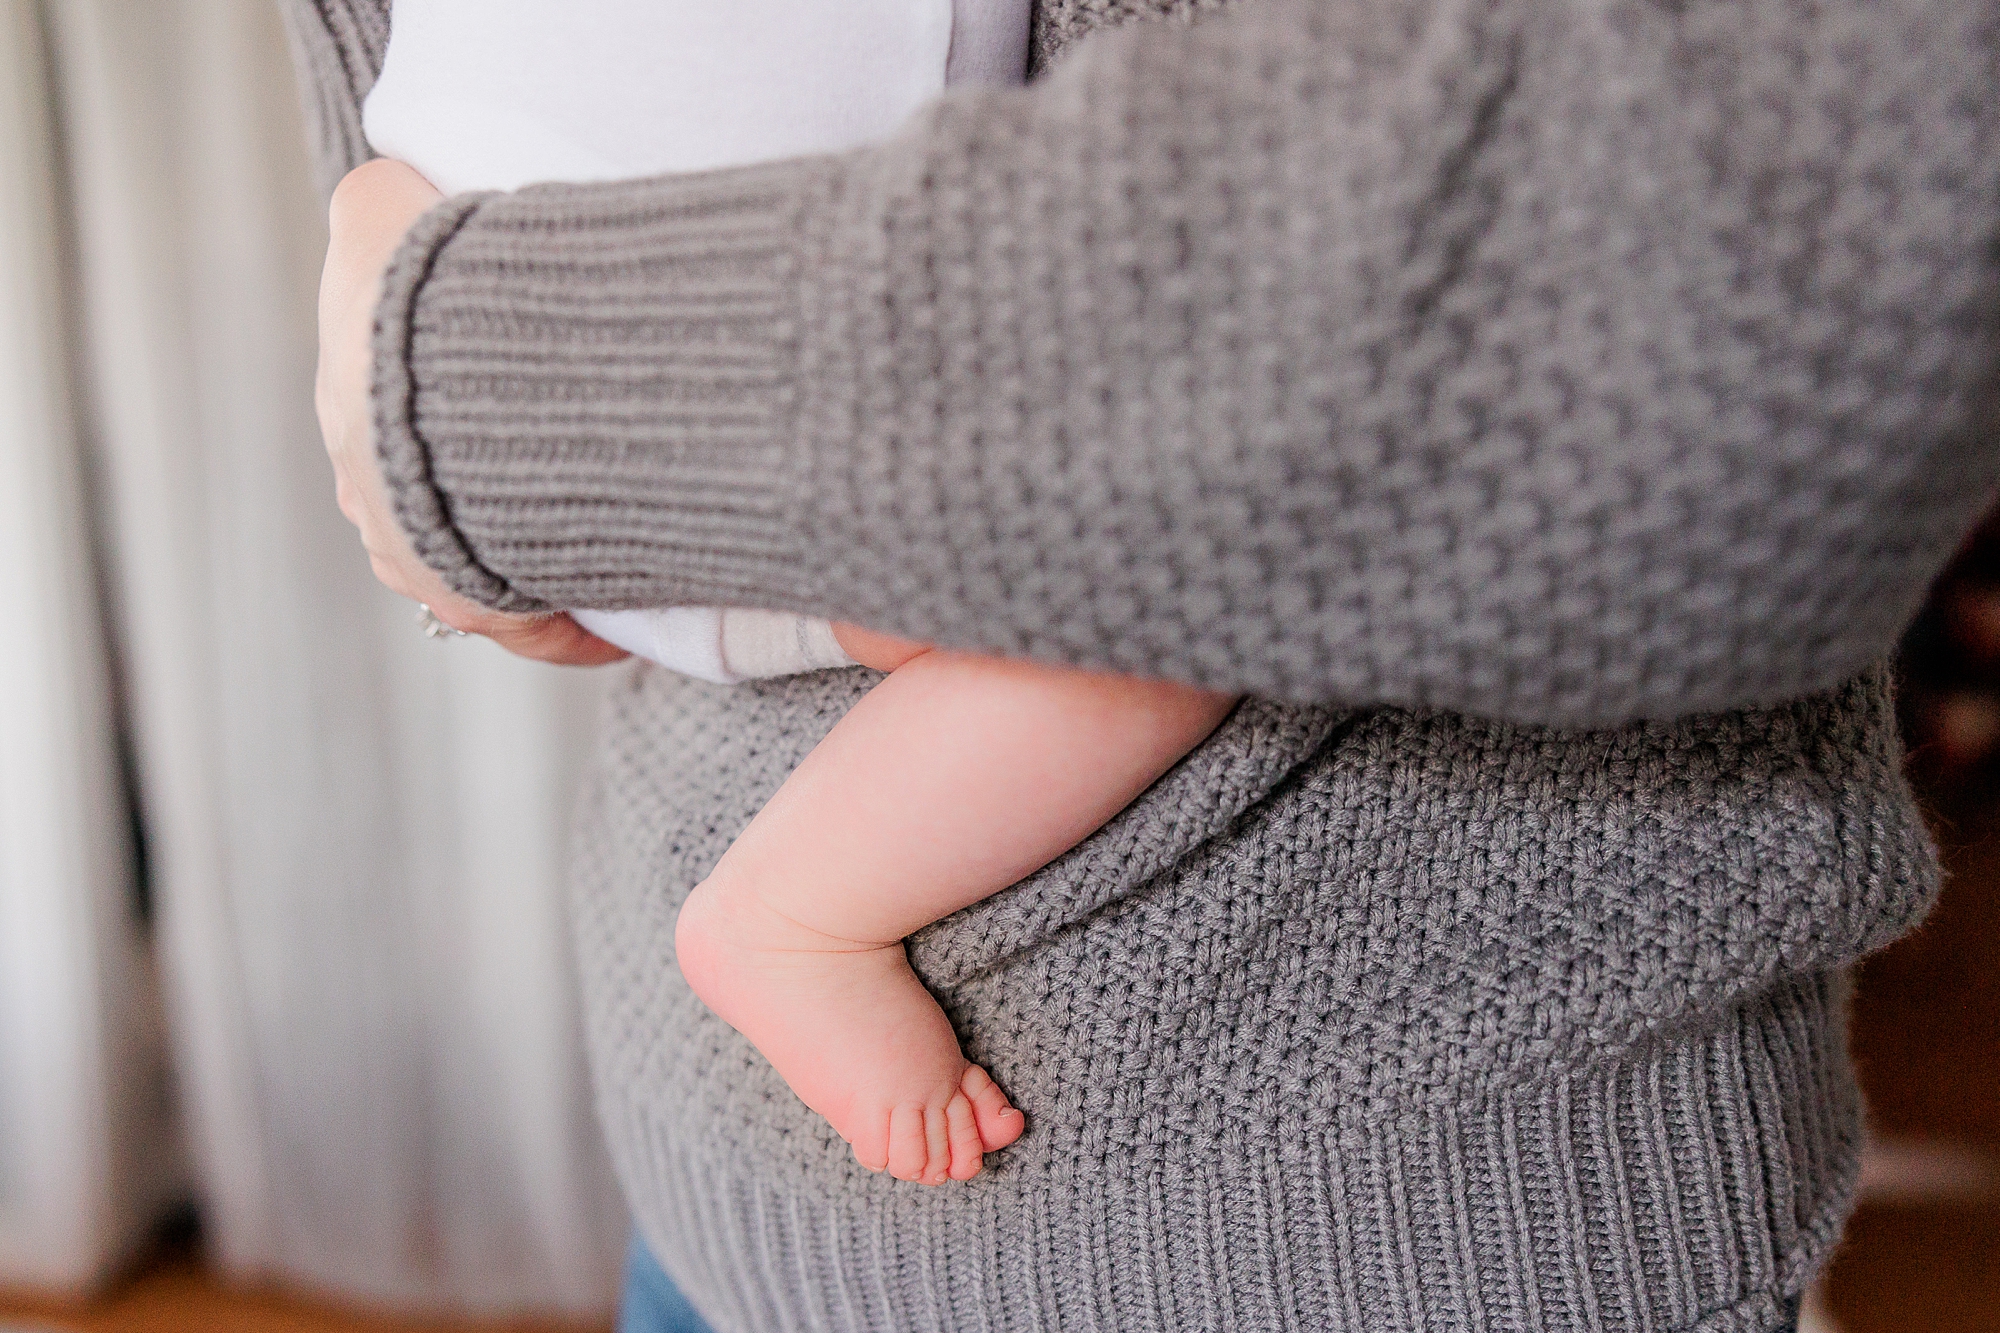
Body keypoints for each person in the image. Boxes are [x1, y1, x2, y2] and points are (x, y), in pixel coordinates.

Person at [290, 0, 2000, 1328]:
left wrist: (462, 373)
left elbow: (1754, 245)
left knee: (1122, 611)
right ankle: (791, 908)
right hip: (735, 1197)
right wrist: (457, 384)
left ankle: (791, 904)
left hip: (1399, 1236)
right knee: (1110, 631)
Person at [359, 0, 1237, 1188]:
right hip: (704, 385)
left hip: (481, 345)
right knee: (1167, 589)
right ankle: (793, 907)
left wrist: (374, 250)